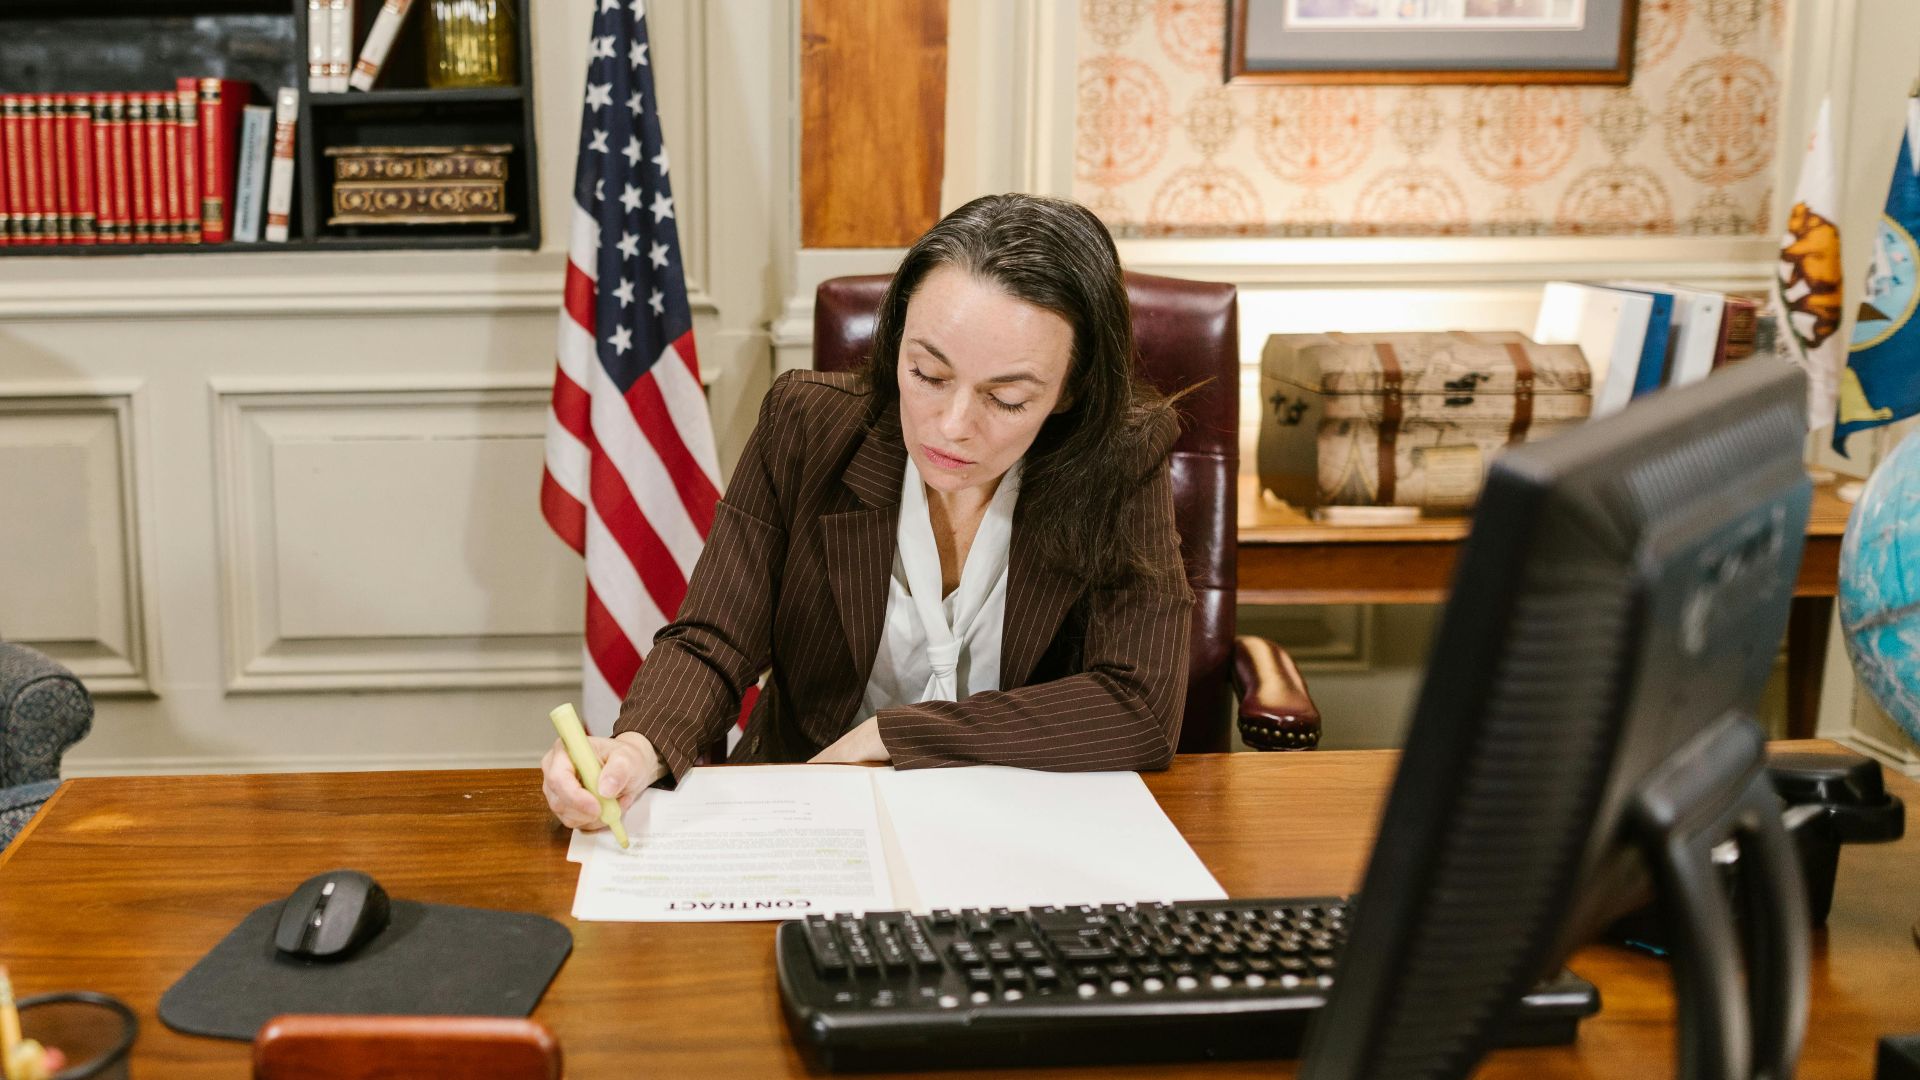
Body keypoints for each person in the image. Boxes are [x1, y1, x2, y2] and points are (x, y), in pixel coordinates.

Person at [543, 193, 1194, 832]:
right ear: (896, 340)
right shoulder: (807, 425)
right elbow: (714, 640)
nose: (953, 425)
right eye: (927, 374)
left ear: (1070, 390)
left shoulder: (1120, 459)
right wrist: (635, 747)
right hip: (811, 811)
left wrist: (897, 736)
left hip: (1017, 824)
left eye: (1008, 398)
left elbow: (1137, 704)